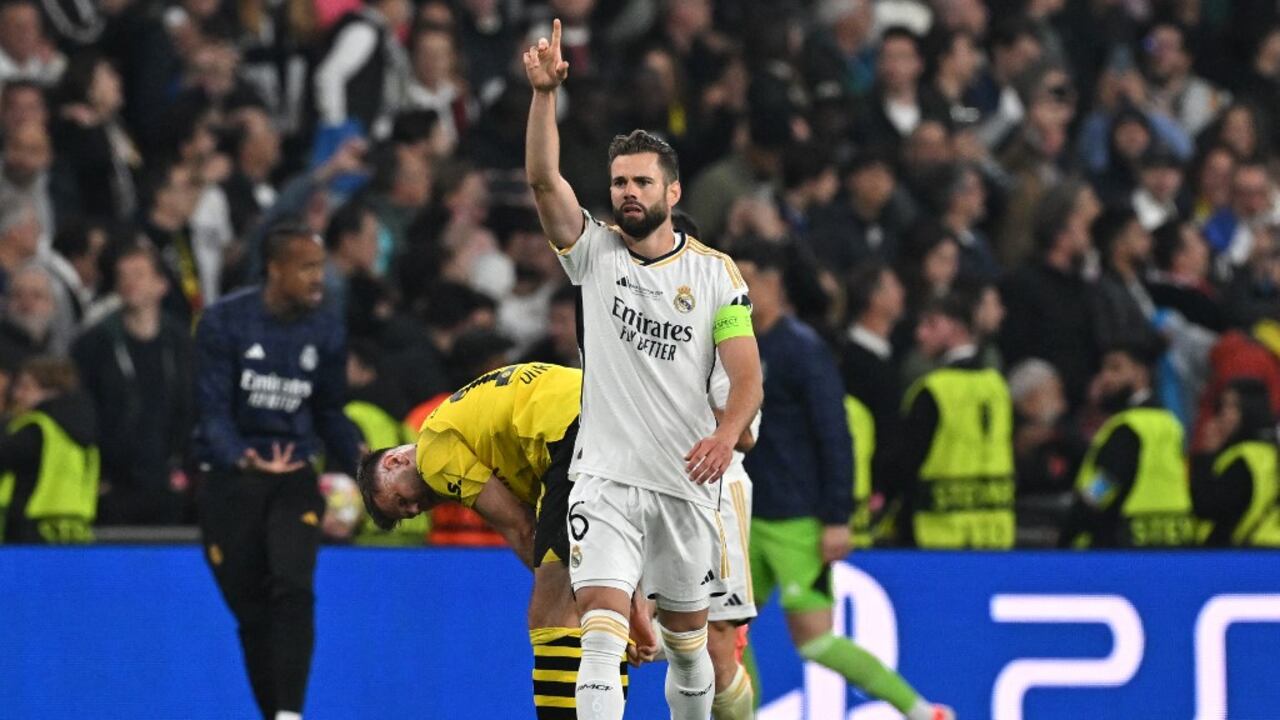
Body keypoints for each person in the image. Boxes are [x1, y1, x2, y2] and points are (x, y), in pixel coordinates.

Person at [524, 20, 764, 720]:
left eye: (640, 182)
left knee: (687, 647)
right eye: (619, 182)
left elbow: (745, 374)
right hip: (602, 479)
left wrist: (726, 434)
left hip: (686, 483)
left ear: (672, 190)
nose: (627, 192)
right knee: (600, 627)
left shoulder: (716, 274)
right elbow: (543, 181)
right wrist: (544, 98)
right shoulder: (594, 255)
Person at [737, 240, 953, 720]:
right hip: (745, 516)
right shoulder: (740, 345)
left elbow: (836, 438)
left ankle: (920, 710)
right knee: (721, 632)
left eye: (749, 280)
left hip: (797, 521)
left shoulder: (802, 351)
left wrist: (837, 518)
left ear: (774, 284)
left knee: (814, 642)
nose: (741, 291)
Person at [355, 362, 637, 719]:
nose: (417, 507)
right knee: (605, 610)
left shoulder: (433, 454)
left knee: (549, 613)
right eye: (409, 513)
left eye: (402, 500)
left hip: (574, 428)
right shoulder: (468, 430)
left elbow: (522, 528)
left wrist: (556, 586)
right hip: (620, 403)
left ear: (396, 461)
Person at [193, 222, 362, 720]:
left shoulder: (327, 328)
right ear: (275, 268)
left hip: (293, 477)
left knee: (293, 585)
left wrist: (360, 457)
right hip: (234, 479)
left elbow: (330, 410)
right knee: (251, 611)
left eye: (321, 266)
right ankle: (275, 713)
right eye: (307, 267)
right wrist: (242, 457)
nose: (319, 278)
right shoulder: (223, 322)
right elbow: (211, 410)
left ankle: (291, 712)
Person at [71, 242, 193, 525]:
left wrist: (186, 467)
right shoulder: (94, 344)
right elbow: (84, 412)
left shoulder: (181, 344)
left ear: (161, 285)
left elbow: (192, 408)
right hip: (113, 485)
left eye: (138, 274)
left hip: (168, 482)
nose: (128, 283)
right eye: (122, 276)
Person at [899, 292, 1016, 549]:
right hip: (995, 535)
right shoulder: (998, 387)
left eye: (931, 324)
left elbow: (905, 466)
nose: (920, 334)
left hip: (937, 536)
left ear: (957, 327)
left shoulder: (933, 391)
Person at [1062, 341, 1195, 548]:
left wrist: (1069, 532)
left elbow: (1102, 488)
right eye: (1103, 369)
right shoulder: (1170, 423)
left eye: (1115, 368)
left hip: (1123, 548)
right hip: (1169, 543)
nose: (1105, 377)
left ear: (1141, 373)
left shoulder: (1128, 427)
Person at [0, 356, 98, 543]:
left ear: (52, 391)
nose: (17, 395)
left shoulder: (35, 430)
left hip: (29, 531)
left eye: (26, 387)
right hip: (74, 531)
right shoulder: (84, 432)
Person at [1191, 378, 1280, 547]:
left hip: (1240, 556)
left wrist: (1205, 457)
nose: (1224, 414)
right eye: (1222, 406)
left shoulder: (1242, 459)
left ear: (1251, 409)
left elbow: (1205, 507)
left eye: (1232, 407)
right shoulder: (1271, 452)